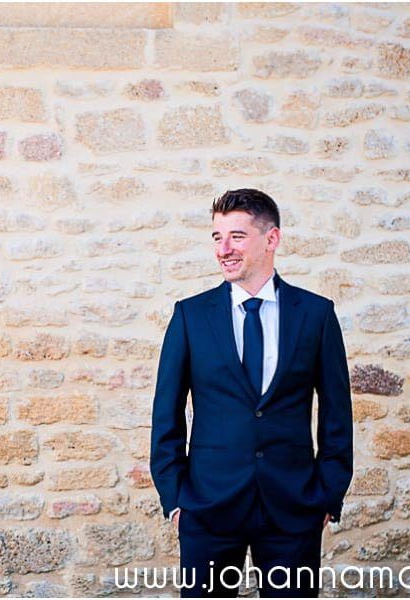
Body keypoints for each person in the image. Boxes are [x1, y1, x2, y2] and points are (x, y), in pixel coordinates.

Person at [149, 189, 353, 598]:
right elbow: (165, 414)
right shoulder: (190, 316)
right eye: (216, 237)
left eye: (237, 236)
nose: (223, 249)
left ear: (271, 239)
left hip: (294, 508)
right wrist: (176, 498)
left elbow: (337, 413)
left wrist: (328, 492)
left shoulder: (315, 314)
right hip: (207, 507)